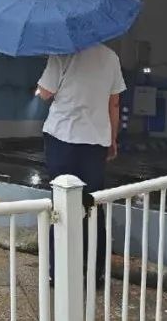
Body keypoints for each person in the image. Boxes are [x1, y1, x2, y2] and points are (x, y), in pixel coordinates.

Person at [36, 42, 126, 284]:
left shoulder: (61, 52)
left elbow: (45, 93)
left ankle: (58, 272)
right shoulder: (110, 57)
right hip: (95, 142)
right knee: (92, 206)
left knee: (61, 206)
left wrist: (40, 86)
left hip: (61, 139)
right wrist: (112, 139)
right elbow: (114, 103)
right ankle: (94, 273)